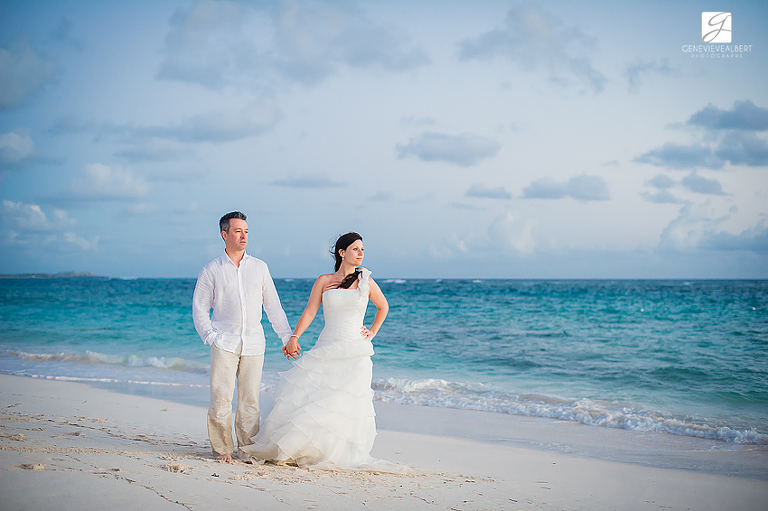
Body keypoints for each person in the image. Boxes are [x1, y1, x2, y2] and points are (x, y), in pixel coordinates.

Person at [239, 232, 395, 470]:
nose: (361, 253)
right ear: (342, 253)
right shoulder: (324, 280)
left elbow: (383, 307)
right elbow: (310, 311)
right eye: (355, 249)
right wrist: (294, 337)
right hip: (327, 345)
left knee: (345, 401)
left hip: (356, 351)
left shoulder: (366, 281)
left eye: (362, 249)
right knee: (316, 399)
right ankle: (307, 447)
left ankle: (337, 451)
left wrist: (371, 332)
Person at [192, 211, 295, 463]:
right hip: (224, 342)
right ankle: (222, 449)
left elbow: (273, 306)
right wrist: (211, 336)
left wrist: (287, 338)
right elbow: (199, 308)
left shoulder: (260, 267)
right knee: (221, 397)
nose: (243, 236)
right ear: (224, 234)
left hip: (254, 343)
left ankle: (247, 449)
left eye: (246, 231)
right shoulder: (211, 270)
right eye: (238, 231)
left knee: (250, 400)